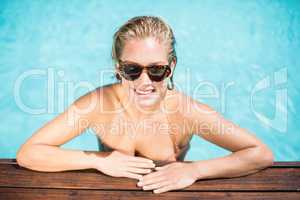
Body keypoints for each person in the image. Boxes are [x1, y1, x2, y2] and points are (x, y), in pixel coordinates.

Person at [16, 16, 274, 194]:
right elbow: (29, 154)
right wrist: (100, 160)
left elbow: (259, 153)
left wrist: (195, 169)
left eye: (156, 70)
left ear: (171, 68)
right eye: (132, 69)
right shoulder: (97, 104)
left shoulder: (186, 112)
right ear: (118, 68)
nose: (144, 82)